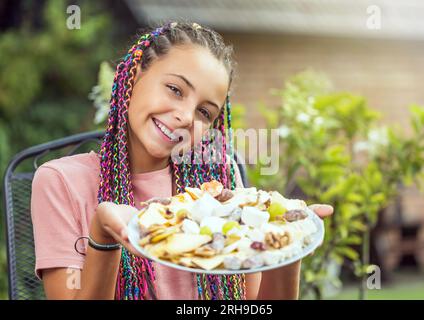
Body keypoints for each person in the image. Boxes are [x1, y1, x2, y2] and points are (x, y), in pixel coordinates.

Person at [31, 21, 333, 300]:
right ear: (135, 76)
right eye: (175, 90)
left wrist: (290, 241)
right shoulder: (61, 182)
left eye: (204, 112)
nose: (186, 117)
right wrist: (103, 234)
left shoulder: (218, 183)